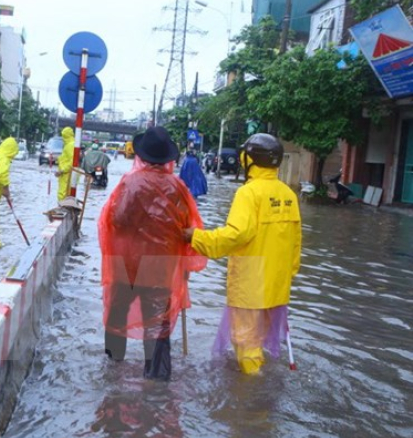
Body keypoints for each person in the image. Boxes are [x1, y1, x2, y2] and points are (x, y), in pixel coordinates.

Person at [183, 133, 302, 375]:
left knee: (246, 341)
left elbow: (235, 235)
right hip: (276, 285)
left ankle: (250, 400)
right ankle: (259, 387)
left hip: (251, 284)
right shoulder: (288, 195)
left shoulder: (249, 193)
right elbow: (295, 245)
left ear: (250, 159)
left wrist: (196, 236)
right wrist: (286, 277)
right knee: (257, 340)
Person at [99, 127, 207, 381]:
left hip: (128, 265)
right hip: (160, 268)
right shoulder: (177, 187)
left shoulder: (130, 183)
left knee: (117, 312)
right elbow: (189, 228)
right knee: (157, 323)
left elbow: (117, 219)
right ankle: (157, 382)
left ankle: (112, 368)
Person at [56, 127, 75, 201]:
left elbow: (72, 161)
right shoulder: (68, 145)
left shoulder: (70, 145)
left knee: (63, 193)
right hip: (65, 173)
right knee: (63, 193)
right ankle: (62, 208)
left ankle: (62, 209)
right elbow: (65, 159)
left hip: (66, 174)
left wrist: (62, 170)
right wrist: (57, 159)